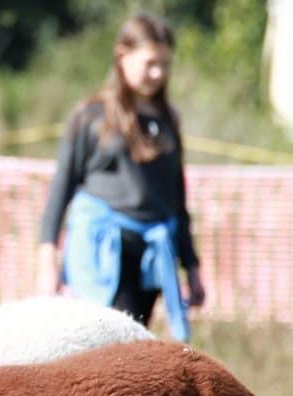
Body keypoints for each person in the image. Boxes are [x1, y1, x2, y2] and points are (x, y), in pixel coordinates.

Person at [36, 13, 205, 341]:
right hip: (103, 252)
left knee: (136, 342)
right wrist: (47, 258)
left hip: (151, 256)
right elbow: (62, 188)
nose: (158, 74)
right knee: (109, 345)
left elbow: (176, 201)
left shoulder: (168, 120)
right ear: (122, 56)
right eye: (151, 63)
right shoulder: (91, 116)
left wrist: (192, 267)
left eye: (165, 65)